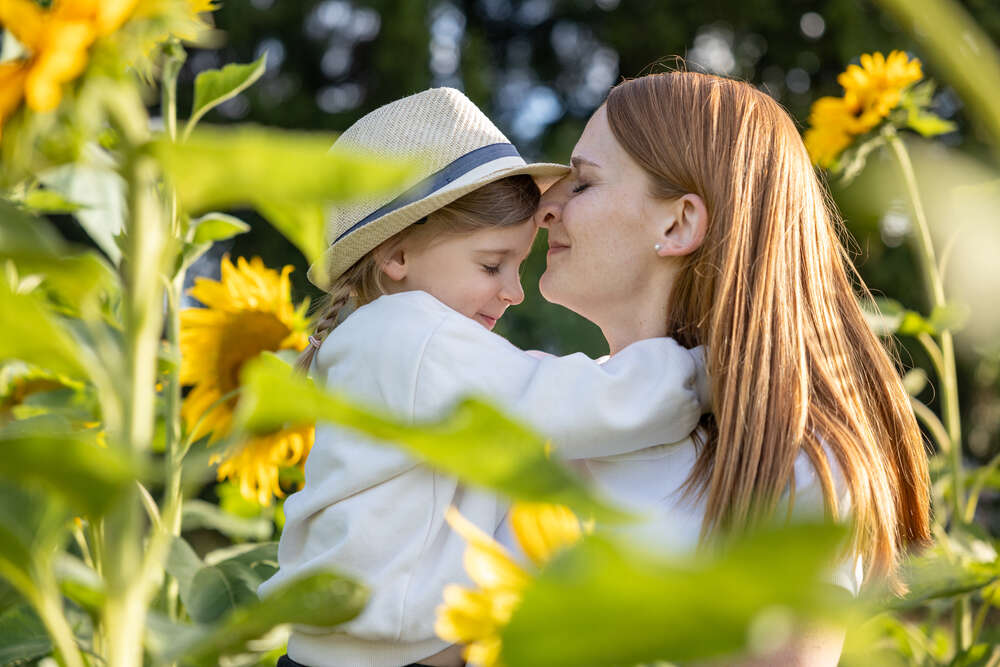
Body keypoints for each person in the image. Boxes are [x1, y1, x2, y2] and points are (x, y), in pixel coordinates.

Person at [260, 87, 711, 667]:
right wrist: (700, 371)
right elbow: (574, 402)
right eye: (491, 264)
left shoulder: (387, 340)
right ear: (397, 257)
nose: (513, 290)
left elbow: (530, 395)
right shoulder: (410, 332)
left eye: (517, 265)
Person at [526, 70, 931, 665]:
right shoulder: (548, 402)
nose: (546, 209)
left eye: (582, 184)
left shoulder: (793, 458)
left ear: (678, 224)